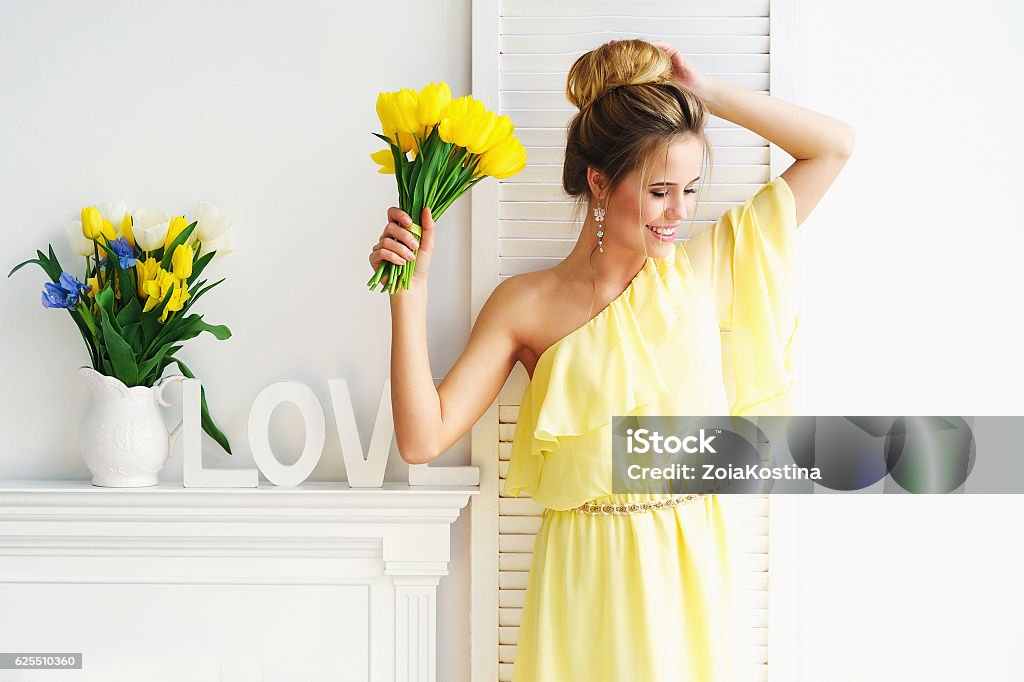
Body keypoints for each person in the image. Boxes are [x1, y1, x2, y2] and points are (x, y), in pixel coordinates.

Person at [369, 38, 853, 682]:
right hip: (583, 579)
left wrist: (701, 93)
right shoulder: (525, 305)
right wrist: (411, 296)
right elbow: (421, 438)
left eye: (689, 189)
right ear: (600, 181)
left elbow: (833, 147)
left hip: (690, 572)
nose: (680, 213)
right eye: (658, 191)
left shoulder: (703, 271)